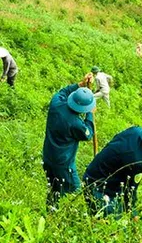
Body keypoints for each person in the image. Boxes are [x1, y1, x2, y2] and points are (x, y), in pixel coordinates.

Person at [83, 124, 142, 219]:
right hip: (97, 186)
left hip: (96, 169)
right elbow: (130, 190)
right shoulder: (137, 160)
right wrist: (133, 212)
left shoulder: (136, 131)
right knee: (113, 223)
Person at [42, 73, 96, 209]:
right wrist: (90, 113)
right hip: (64, 164)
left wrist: (80, 85)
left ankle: (50, 211)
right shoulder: (76, 124)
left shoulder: (56, 103)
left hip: (48, 157)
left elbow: (64, 91)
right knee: (75, 192)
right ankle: (65, 218)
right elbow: (88, 133)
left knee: (54, 188)